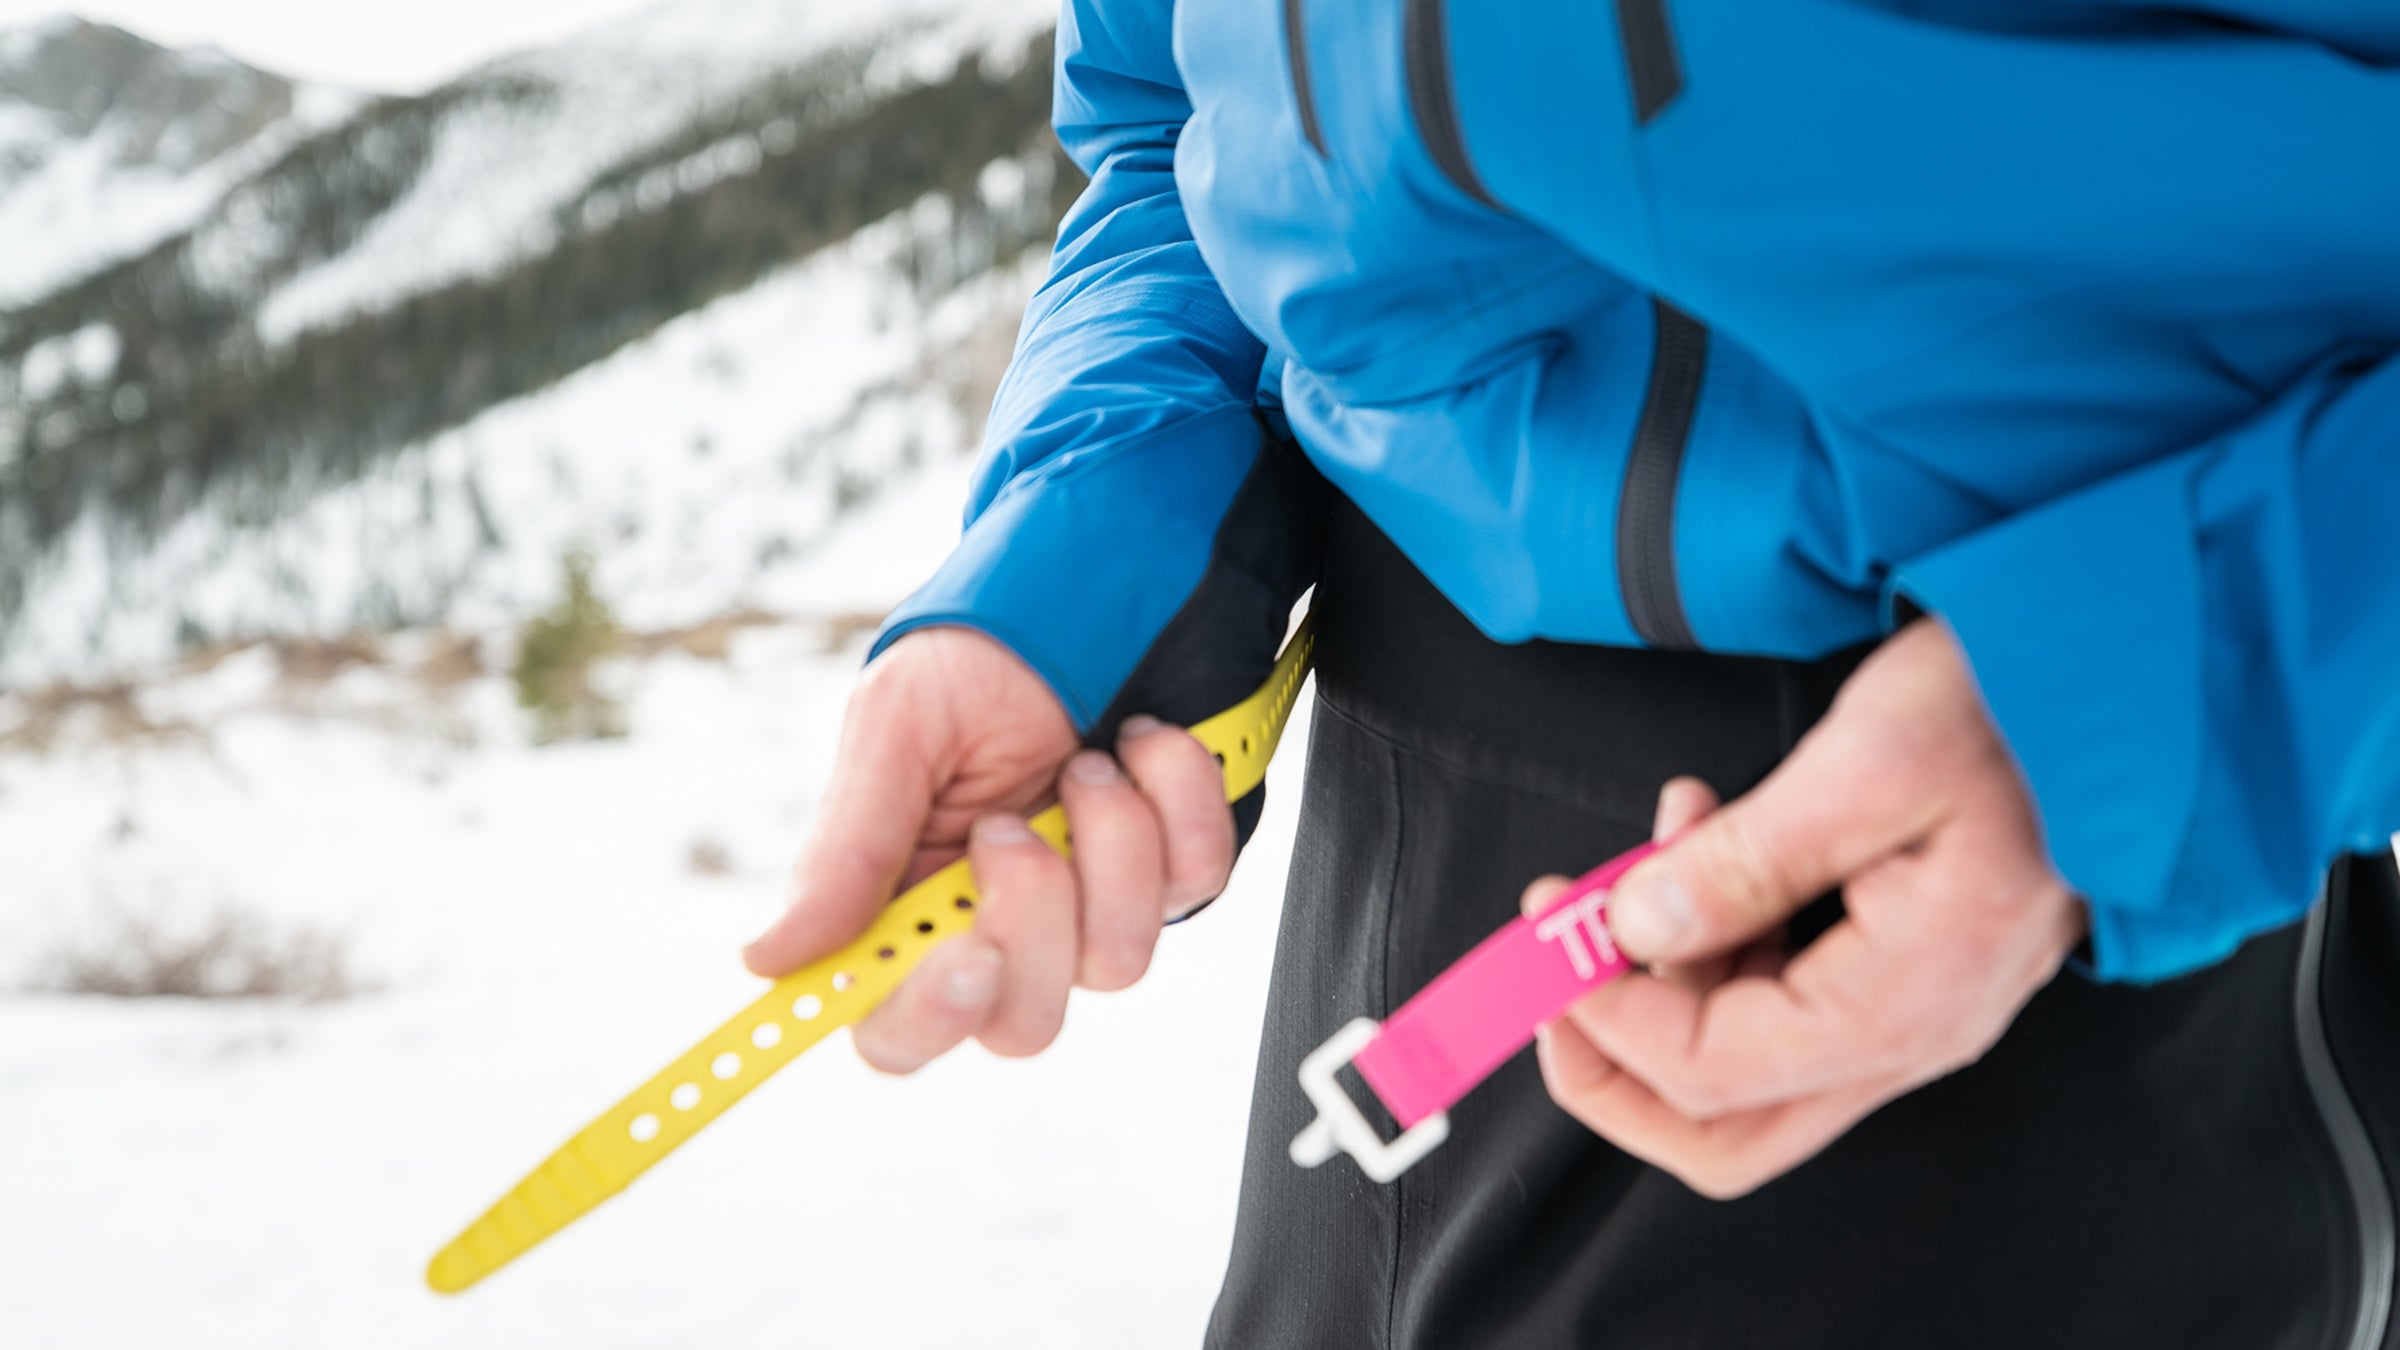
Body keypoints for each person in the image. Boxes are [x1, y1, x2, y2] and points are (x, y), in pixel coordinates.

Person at [743, 2, 2400, 1344]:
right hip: (1406, 835)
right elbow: (1171, 97)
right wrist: (1106, 535)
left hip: (2072, 824)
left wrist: (2166, 688)